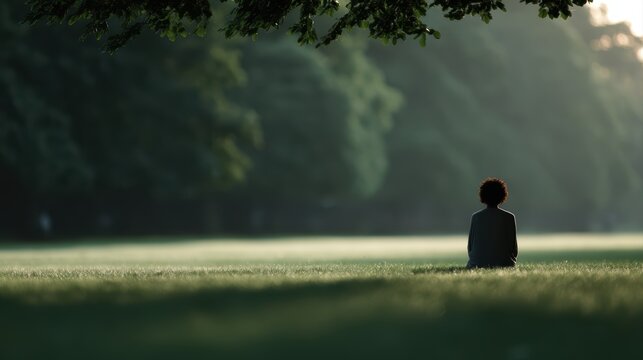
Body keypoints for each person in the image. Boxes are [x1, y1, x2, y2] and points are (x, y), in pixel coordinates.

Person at [467, 178, 518, 268]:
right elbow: (514, 249)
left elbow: (470, 247)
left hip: (476, 264)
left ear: (483, 195)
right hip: (505, 264)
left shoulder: (476, 217)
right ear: (502, 195)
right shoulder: (509, 217)